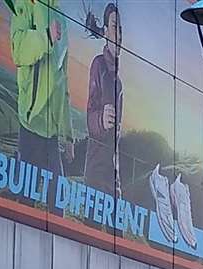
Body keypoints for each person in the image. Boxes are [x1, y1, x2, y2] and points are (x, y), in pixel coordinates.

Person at [8, 0, 70, 182]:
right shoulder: (25, 5)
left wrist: (68, 136)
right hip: (30, 125)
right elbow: (18, 50)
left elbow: (63, 81)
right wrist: (46, 37)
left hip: (52, 134)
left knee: (58, 200)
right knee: (25, 199)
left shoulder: (62, 18)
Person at [83, 3, 123, 205]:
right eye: (115, 26)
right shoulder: (99, 65)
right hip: (96, 175)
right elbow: (89, 116)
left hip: (112, 176)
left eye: (121, 29)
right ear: (106, 31)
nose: (120, 34)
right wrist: (100, 119)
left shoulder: (119, 82)